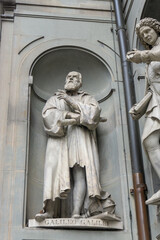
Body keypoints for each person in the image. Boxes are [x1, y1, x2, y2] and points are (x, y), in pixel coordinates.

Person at [35, 71, 113, 222]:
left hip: (80, 137)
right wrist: (71, 115)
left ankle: (76, 212)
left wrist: (70, 102)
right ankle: (49, 211)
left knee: (80, 173)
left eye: (74, 77)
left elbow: (94, 114)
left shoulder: (87, 98)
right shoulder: (55, 98)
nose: (70, 78)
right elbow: (47, 116)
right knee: (54, 172)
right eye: (68, 77)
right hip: (60, 138)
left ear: (80, 82)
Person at [127, 18, 160, 206]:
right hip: (156, 101)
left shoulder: (151, 54)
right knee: (149, 140)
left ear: (156, 29)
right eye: (142, 35)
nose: (146, 35)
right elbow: (150, 89)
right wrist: (140, 106)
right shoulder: (149, 61)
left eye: (148, 31)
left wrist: (143, 55)